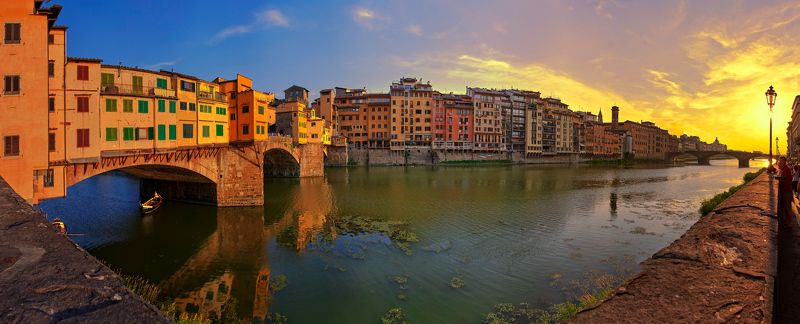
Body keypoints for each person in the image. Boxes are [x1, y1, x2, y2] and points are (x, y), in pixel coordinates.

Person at [776, 157, 795, 224]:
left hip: (787, 192)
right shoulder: (783, 169)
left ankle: (790, 223)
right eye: (779, 161)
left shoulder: (786, 169)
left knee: (788, 208)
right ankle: (787, 222)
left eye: (781, 162)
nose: (779, 163)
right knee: (786, 208)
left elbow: (785, 179)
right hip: (785, 191)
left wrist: (778, 178)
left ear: (784, 162)